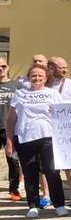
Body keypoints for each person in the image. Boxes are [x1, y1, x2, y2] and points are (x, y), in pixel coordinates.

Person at [4, 64, 66, 218]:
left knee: (52, 171)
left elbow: (65, 113)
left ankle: (59, 204)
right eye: (33, 75)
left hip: (48, 137)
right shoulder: (20, 94)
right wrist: (9, 141)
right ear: (28, 77)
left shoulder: (53, 94)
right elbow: (11, 120)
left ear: (46, 78)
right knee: (30, 173)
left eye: (40, 75)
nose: (37, 78)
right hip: (25, 138)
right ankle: (33, 205)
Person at [47, 56, 71, 208]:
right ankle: (47, 195)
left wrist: (62, 105)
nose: (65, 70)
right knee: (47, 165)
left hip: (67, 129)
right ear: (51, 68)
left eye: (66, 67)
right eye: (61, 67)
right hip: (47, 129)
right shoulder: (45, 84)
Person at [0, 57, 22, 202]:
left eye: (3, 66)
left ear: (8, 67)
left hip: (10, 129)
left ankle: (14, 190)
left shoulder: (17, 86)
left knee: (13, 160)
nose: (0, 69)